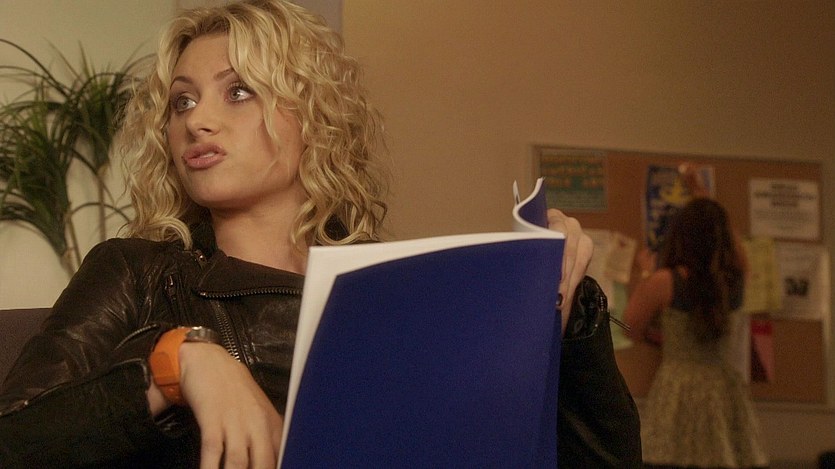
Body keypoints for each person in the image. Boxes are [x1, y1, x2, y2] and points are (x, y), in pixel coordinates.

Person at [0, 1, 640, 467]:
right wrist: (179, 362)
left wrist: (566, 310)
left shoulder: (401, 287)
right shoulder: (139, 274)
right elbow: (15, 438)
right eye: (182, 102)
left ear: (312, 114)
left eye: (239, 92)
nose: (198, 122)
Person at [624, 173, 768, 468]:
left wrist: (646, 273)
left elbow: (629, 326)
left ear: (681, 236)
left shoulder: (664, 282)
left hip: (678, 391)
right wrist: (700, 191)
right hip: (723, 390)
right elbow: (734, 244)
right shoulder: (737, 278)